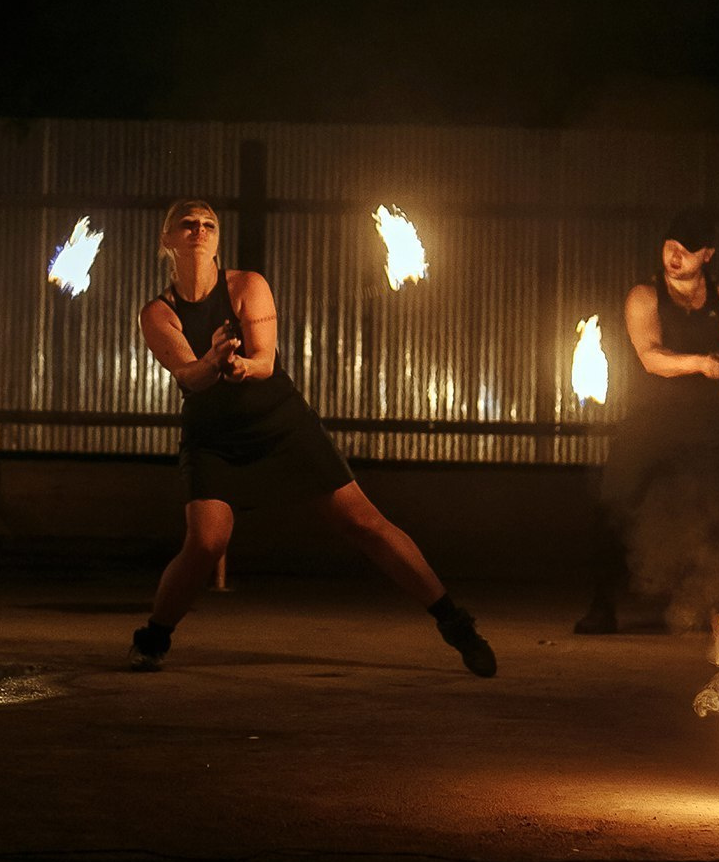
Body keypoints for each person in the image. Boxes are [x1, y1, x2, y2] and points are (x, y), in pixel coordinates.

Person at [127, 199, 496, 676]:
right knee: (206, 542)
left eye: (209, 225)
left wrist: (238, 364)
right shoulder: (158, 313)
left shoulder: (248, 286)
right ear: (168, 240)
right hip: (214, 437)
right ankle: (153, 637)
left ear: (218, 239)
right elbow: (188, 377)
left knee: (362, 523)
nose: (199, 230)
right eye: (187, 224)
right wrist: (213, 360)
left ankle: (456, 623)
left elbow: (263, 362)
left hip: (280, 423)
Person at [574, 206, 719, 634]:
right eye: (670, 247)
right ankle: (601, 606)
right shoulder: (644, 296)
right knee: (612, 506)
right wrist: (703, 364)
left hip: (705, 423)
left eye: (687, 250)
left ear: (707, 255)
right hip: (649, 421)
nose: (675, 257)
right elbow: (651, 356)